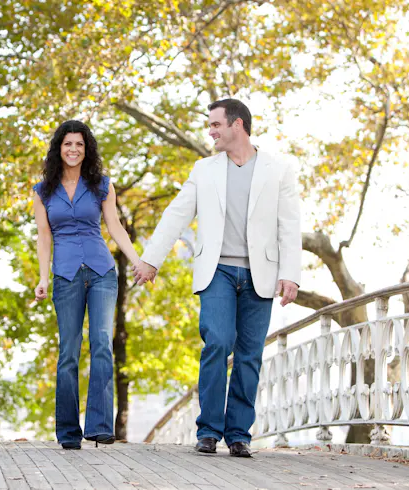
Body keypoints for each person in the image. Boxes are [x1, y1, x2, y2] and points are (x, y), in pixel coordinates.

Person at [133, 99, 302, 457]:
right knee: (218, 342)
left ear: (236, 124)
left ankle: (239, 433)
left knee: (250, 355)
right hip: (218, 271)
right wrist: (151, 260)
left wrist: (290, 275)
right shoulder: (205, 169)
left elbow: (289, 225)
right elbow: (177, 214)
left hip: (260, 273)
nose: (209, 131)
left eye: (214, 125)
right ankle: (209, 430)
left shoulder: (278, 170)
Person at [32, 120, 142, 450]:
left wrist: (137, 260)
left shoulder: (101, 186)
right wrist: (42, 278)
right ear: (59, 148)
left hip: (101, 272)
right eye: (68, 144)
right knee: (68, 352)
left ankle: (99, 426)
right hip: (65, 276)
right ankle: (68, 432)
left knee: (101, 343)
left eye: (79, 144)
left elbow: (115, 227)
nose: (73, 150)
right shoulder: (43, 191)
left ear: (86, 148)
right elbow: (43, 237)